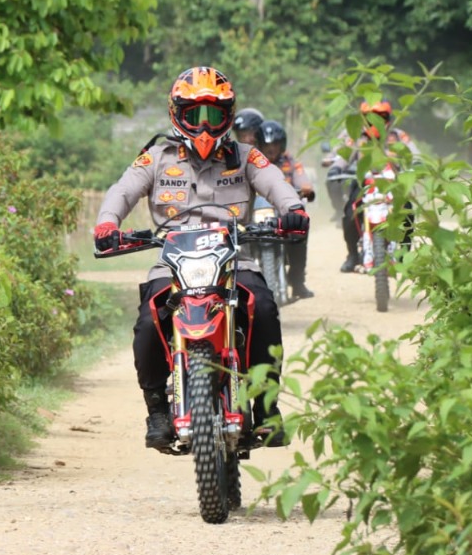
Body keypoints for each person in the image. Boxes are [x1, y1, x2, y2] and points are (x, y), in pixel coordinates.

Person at [93, 67, 310, 452]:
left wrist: (293, 209)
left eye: (215, 114)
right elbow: (122, 191)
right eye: (196, 114)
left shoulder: (246, 157)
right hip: (172, 263)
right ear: (178, 113)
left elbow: (277, 184)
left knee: (262, 305)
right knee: (147, 321)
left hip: (233, 259)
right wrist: (108, 224)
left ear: (229, 115)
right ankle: (157, 411)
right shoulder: (155, 158)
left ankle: (266, 407)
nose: (206, 125)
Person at [332, 100, 419, 272]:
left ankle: (404, 255)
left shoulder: (398, 136)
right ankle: (352, 255)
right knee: (350, 212)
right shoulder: (355, 136)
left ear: (388, 118)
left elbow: (414, 154)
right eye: (370, 118)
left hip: (393, 183)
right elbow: (342, 156)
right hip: (363, 183)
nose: (375, 122)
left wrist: (416, 165)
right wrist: (336, 167)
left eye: (380, 117)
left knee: (407, 210)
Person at [253, 119, 316, 300]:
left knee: (300, 232)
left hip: (283, 215)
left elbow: (302, 179)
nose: (271, 149)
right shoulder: (251, 162)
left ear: (282, 145)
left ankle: (297, 282)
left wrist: (305, 188)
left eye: (275, 144)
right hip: (254, 215)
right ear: (259, 145)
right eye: (266, 145)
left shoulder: (292, 162)